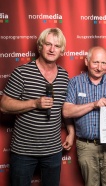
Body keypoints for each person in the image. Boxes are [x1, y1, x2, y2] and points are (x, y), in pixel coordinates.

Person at [0, 28, 74, 186]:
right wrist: (34, 103)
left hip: (53, 150)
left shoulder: (64, 75)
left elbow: (64, 109)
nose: (52, 49)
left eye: (57, 45)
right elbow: (4, 106)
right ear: (40, 46)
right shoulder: (22, 73)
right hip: (23, 151)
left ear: (62, 50)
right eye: (48, 44)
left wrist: (71, 131)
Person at [62, 46, 106, 186]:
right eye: (95, 62)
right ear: (86, 61)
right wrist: (93, 104)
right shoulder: (75, 83)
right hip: (86, 146)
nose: (99, 67)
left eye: (103, 63)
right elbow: (67, 112)